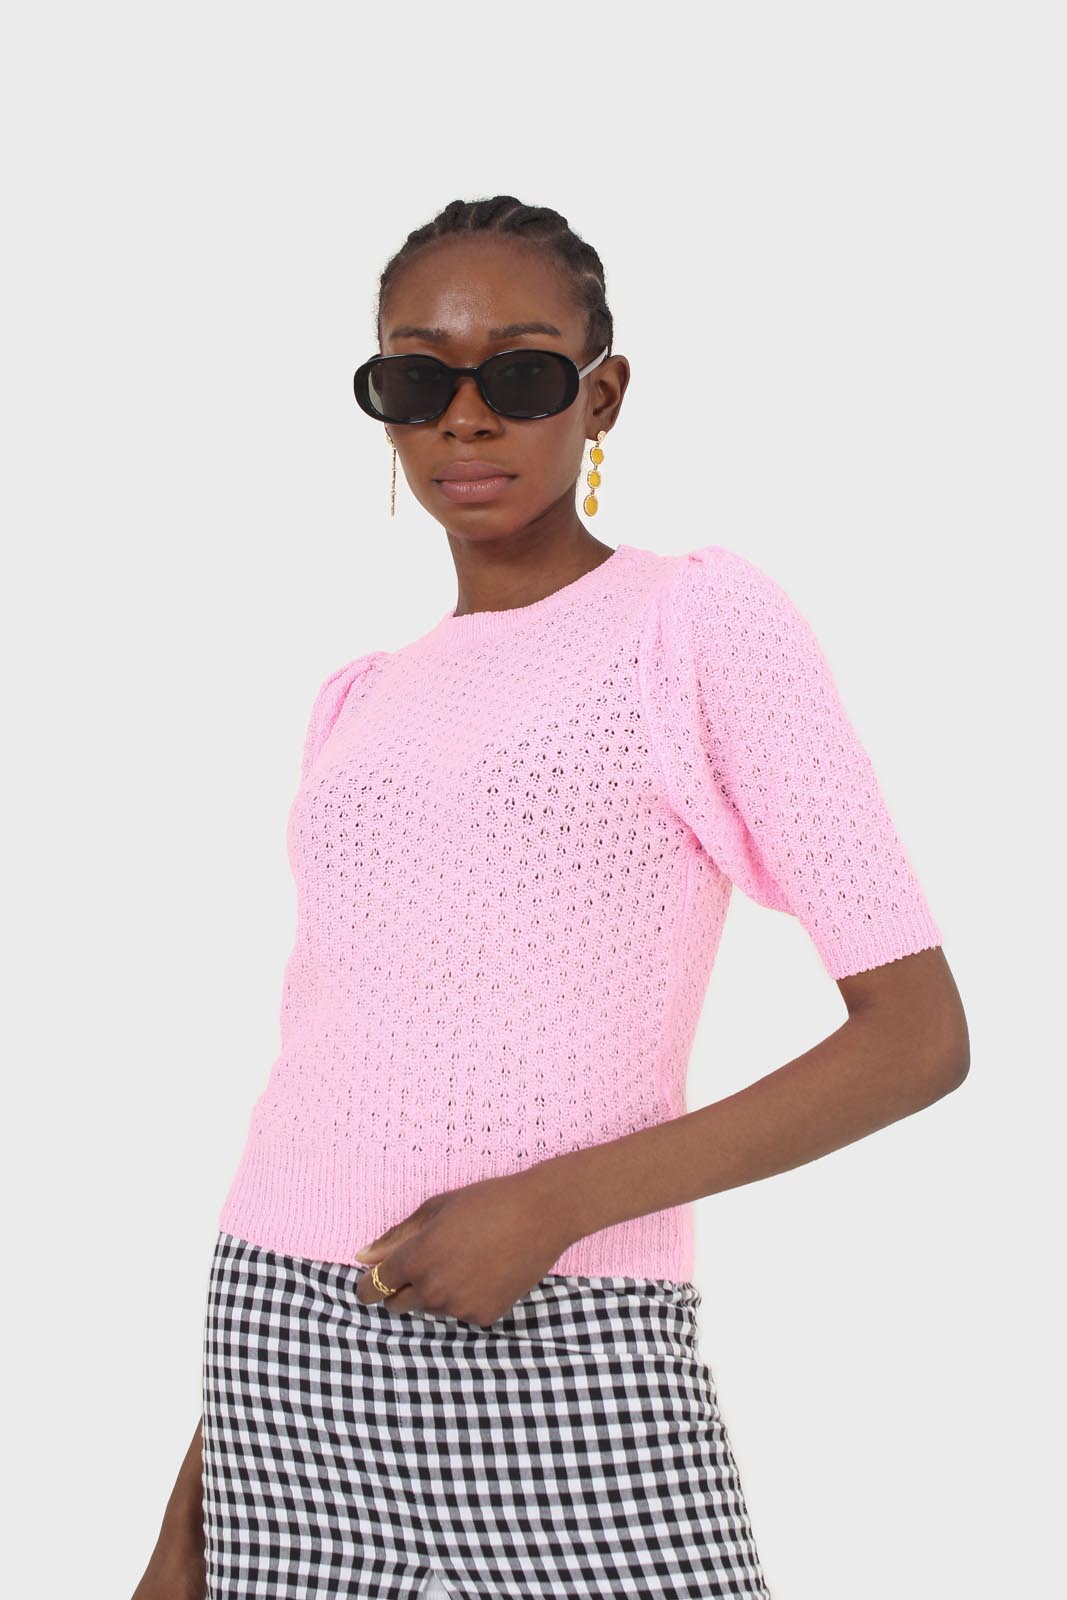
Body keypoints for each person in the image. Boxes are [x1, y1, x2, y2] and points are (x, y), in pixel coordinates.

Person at [133, 194, 969, 1600]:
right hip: (281, 1351)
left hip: (567, 1336)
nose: (466, 419)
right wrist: (187, 1530)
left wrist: (550, 1208)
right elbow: (321, 1081)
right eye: (417, 381)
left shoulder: (692, 624)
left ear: (602, 395)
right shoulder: (358, 699)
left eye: (520, 375)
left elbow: (919, 1036)